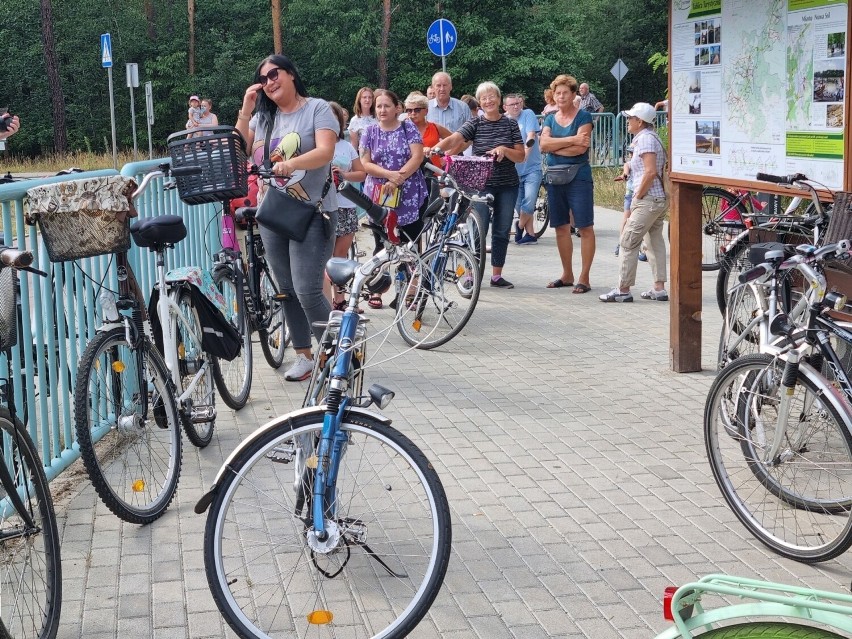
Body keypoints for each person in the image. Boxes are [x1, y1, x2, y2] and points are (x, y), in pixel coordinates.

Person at [234, 54, 338, 381]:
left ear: (291, 74)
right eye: (263, 79)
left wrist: (292, 164)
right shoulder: (263, 117)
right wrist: (246, 110)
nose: (270, 82)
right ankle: (304, 357)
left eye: (275, 74)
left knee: (308, 289)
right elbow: (237, 149)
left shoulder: (316, 109)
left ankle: (336, 352)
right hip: (273, 213)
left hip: (312, 212)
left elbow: (325, 151)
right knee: (287, 289)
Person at [433, 81, 524, 289]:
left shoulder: (510, 124)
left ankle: (496, 275)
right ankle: (472, 273)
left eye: (492, 96)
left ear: (499, 100)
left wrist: (504, 150)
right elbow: (455, 137)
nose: (488, 100)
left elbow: (520, 156)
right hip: (481, 183)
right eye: (484, 98)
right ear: (480, 103)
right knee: (478, 228)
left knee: (501, 229)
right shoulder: (476, 123)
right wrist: (435, 148)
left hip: (507, 183)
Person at [359, 89, 429, 308]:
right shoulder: (369, 131)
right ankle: (377, 287)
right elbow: (365, 163)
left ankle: (411, 290)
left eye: (386, 106)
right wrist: (388, 175)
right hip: (379, 193)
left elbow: (417, 157)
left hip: (407, 191)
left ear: (397, 108)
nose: (382, 110)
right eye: (378, 106)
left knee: (410, 244)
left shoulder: (408, 128)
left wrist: (398, 179)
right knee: (381, 243)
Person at [599, 102, 668, 303]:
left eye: (630, 118)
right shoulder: (648, 137)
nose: (627, 121)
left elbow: (650, 171)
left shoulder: (645, 139)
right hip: (657, 199)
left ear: (640, 121)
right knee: (654, 243)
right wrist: (628, 170)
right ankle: (659, 289)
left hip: (648, 200)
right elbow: (643, 166)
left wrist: (638, 195)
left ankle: (623, 290)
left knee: (628, 241)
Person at [539, 74, 596, 294]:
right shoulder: (550, 118)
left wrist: (556, 145)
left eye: (565, 92)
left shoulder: (584, 117)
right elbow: (543, 145)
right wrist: (571, 139)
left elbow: (581, 149)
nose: (561, 96)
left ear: (574, 95)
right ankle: (567, 274)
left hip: (579, 176)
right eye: (557, 92)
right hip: (554, 177)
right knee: (560, 226)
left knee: (584, 226)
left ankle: (584, 277)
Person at [328, 101, 367, 311]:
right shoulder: (315, 143)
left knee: (340, 257)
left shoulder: (346, 146)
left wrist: (343, 175)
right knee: (324, 257)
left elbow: (361, 173)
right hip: (324, 207)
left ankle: (340, 300)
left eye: (334, 117)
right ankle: (325, 302)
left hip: (345, 204)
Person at [503, 93, 542, 245]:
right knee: (520, 206)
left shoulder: (528, 114)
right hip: (514, 170)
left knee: (529, 201)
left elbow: (531, 135)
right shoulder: (503, 120)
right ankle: (530, 234)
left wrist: (525, 153)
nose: (516, 106)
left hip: (532, 167)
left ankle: (519, 226)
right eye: (512, 104)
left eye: (518, 103)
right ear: (505, 107)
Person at [404, 92, 451, 167]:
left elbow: (458, 141)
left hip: (433, 173)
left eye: (417, 110)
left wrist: (446, 158)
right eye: (409, 110)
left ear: (426, 111)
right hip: (410, 173)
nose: (413, 113)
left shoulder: (435, 127)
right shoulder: (402, 129)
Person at [348, 87, 376, 151]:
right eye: (364, 97)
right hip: (364, 156)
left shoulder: (379, 117)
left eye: (370, 97)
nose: (367, 100)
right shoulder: (355, 120)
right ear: (359, 100)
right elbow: (354, 146)